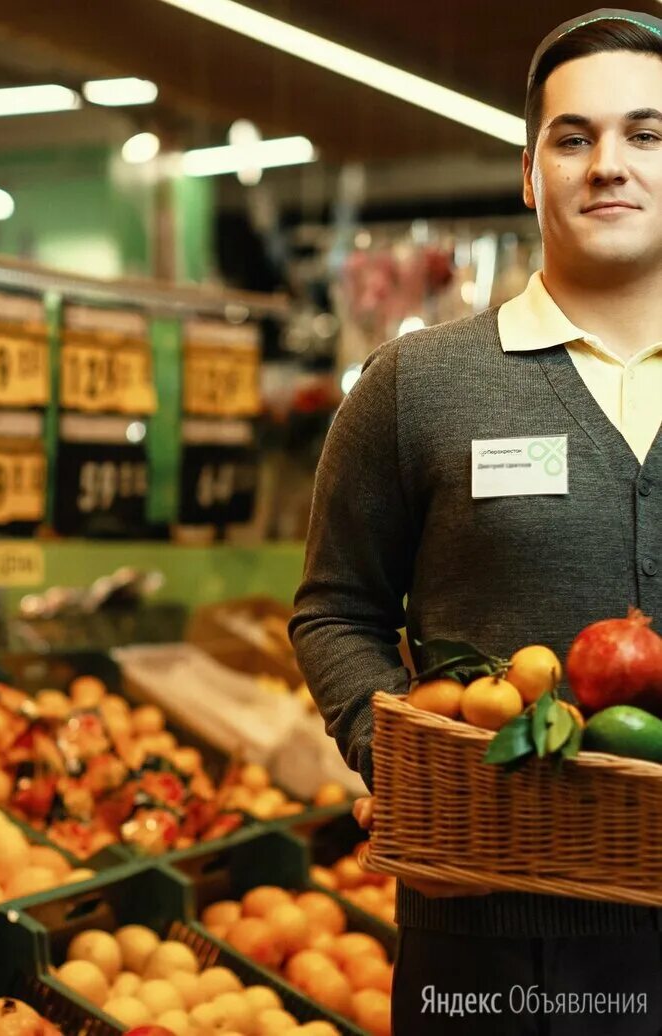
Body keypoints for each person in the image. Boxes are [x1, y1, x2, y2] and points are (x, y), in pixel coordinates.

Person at [289, 9, 662, 1035]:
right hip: (490, 952)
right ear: (529, 173)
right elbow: (334, 608)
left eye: (647, 134)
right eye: (572, 138)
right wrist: (398, 758)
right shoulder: (419, 386)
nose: (608, 166)